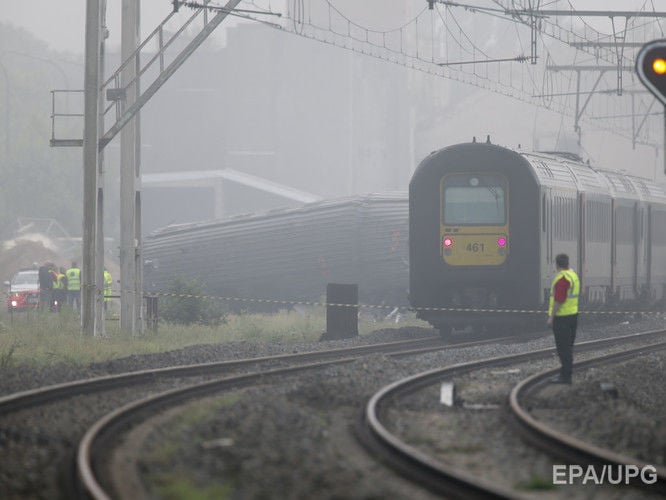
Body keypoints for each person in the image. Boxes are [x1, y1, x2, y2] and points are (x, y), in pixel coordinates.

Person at [547, 253, 580, 384]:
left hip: (562, 318)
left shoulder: (562, 279)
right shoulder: (573, 276)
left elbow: (559, 299)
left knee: (563, 349)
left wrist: (551, 317)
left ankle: (565, 377)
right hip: (573, 316)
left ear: (557, 265)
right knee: (568, 348)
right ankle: (566, 375)